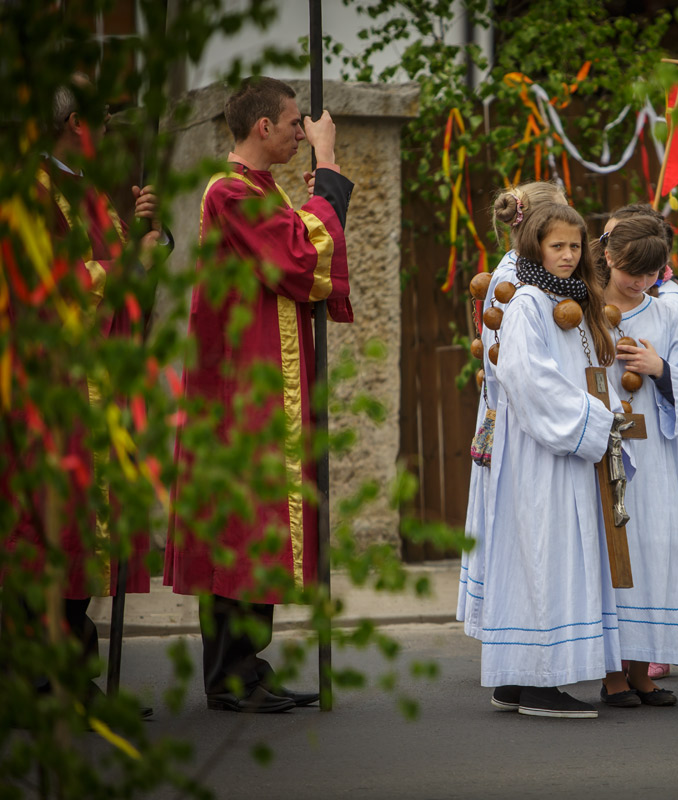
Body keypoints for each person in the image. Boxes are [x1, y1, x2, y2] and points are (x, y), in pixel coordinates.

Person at [164, 77, 353, 713]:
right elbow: (300, 261)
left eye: (307, 125)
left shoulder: (261, 192)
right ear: (263, 128)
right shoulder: (231, 192)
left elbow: (299, 244)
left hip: (266, 386)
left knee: (262, 526)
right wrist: (328, 169)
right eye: (296, 123)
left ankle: (247, 668)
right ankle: (229, 677)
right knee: (242, 528)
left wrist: (313, 200)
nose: (303, 132)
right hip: (241, 392)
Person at [2, 74, 167, 715]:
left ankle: (73, 681)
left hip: (91, 386)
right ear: (76, 124)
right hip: (48, 390)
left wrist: (146, 238)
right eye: (101, 119)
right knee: (46, 534)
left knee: (78, 538)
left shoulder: (82, 191)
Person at [476, 203, 622, 719]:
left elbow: (592, 370)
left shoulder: (577, 300)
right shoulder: (529, 304)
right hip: (543, 450)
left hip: (569, 449)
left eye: (575, 247)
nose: (566, 256)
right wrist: (593, 423)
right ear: (535, 246)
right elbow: (526, 376)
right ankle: (540, 681)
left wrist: (610, 415)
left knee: (546, 552)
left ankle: (517, 678)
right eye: (557, 246)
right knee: (544, 552)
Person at [591, 216, 678, 707]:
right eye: (632, 270)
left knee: (653, 551)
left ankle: (641, 670)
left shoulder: (670, 314)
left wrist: (660, 370)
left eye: (651, 273)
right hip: (603, 445)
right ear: (610, 256)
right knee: (617, 553)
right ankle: (613, 675)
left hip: (654, 450)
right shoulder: (585, 308)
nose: (639, 281)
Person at [459, 182, 566, 640]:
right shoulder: (517, 283)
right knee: (519, 534)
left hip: (507, 416)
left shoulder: (515, 272)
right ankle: (513, 633)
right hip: (519, 424)